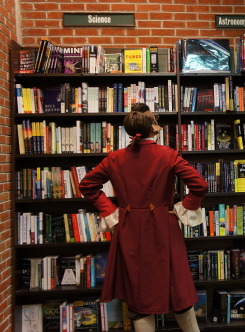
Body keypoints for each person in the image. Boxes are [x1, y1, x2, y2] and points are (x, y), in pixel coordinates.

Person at [79, 103, 208, 332]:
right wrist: (183, 208)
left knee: (139, 297)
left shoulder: (115, 158)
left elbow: (87, 185)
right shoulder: (168, 155)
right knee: (177, 290)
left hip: (128, 229)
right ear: (154, 128)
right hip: (163, 228)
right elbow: (199, 185)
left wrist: (109, 210)